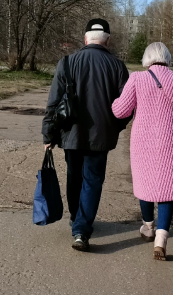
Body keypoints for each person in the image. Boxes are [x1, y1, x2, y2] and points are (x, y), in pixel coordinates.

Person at [41, 18, 131, 252]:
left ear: (85, 39)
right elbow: (128, 105)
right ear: (107, 40)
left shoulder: (67, 62)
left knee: (74, 176)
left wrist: (48, 135)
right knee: (92, 181)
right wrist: (116, 126)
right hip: (101, 136)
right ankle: (81, 228)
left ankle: (76, 218)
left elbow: (53, 103)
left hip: (70, 133)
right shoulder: (117, 66)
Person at [111, 42, 173, 260]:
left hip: (143, 143)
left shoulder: (137, 79)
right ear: (167, 58)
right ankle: (161, 240)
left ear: (146, 59)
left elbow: (120, 111)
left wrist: (113, 100)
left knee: (146, 186)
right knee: (168, 191)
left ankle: (148, 227)